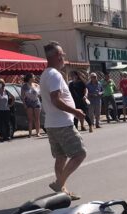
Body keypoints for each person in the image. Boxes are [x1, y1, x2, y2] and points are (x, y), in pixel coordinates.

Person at [40, 41, 87, 200]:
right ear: (57, 56)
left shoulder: (46, 73)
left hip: (52, 124)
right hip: (62, 123)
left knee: (61, 157)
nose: (64, 57)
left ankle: (62, 192)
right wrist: (77, 112)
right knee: (80, 153)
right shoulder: (54, 74)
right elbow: (56, 100)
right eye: (62, 54)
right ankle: (60, 183)